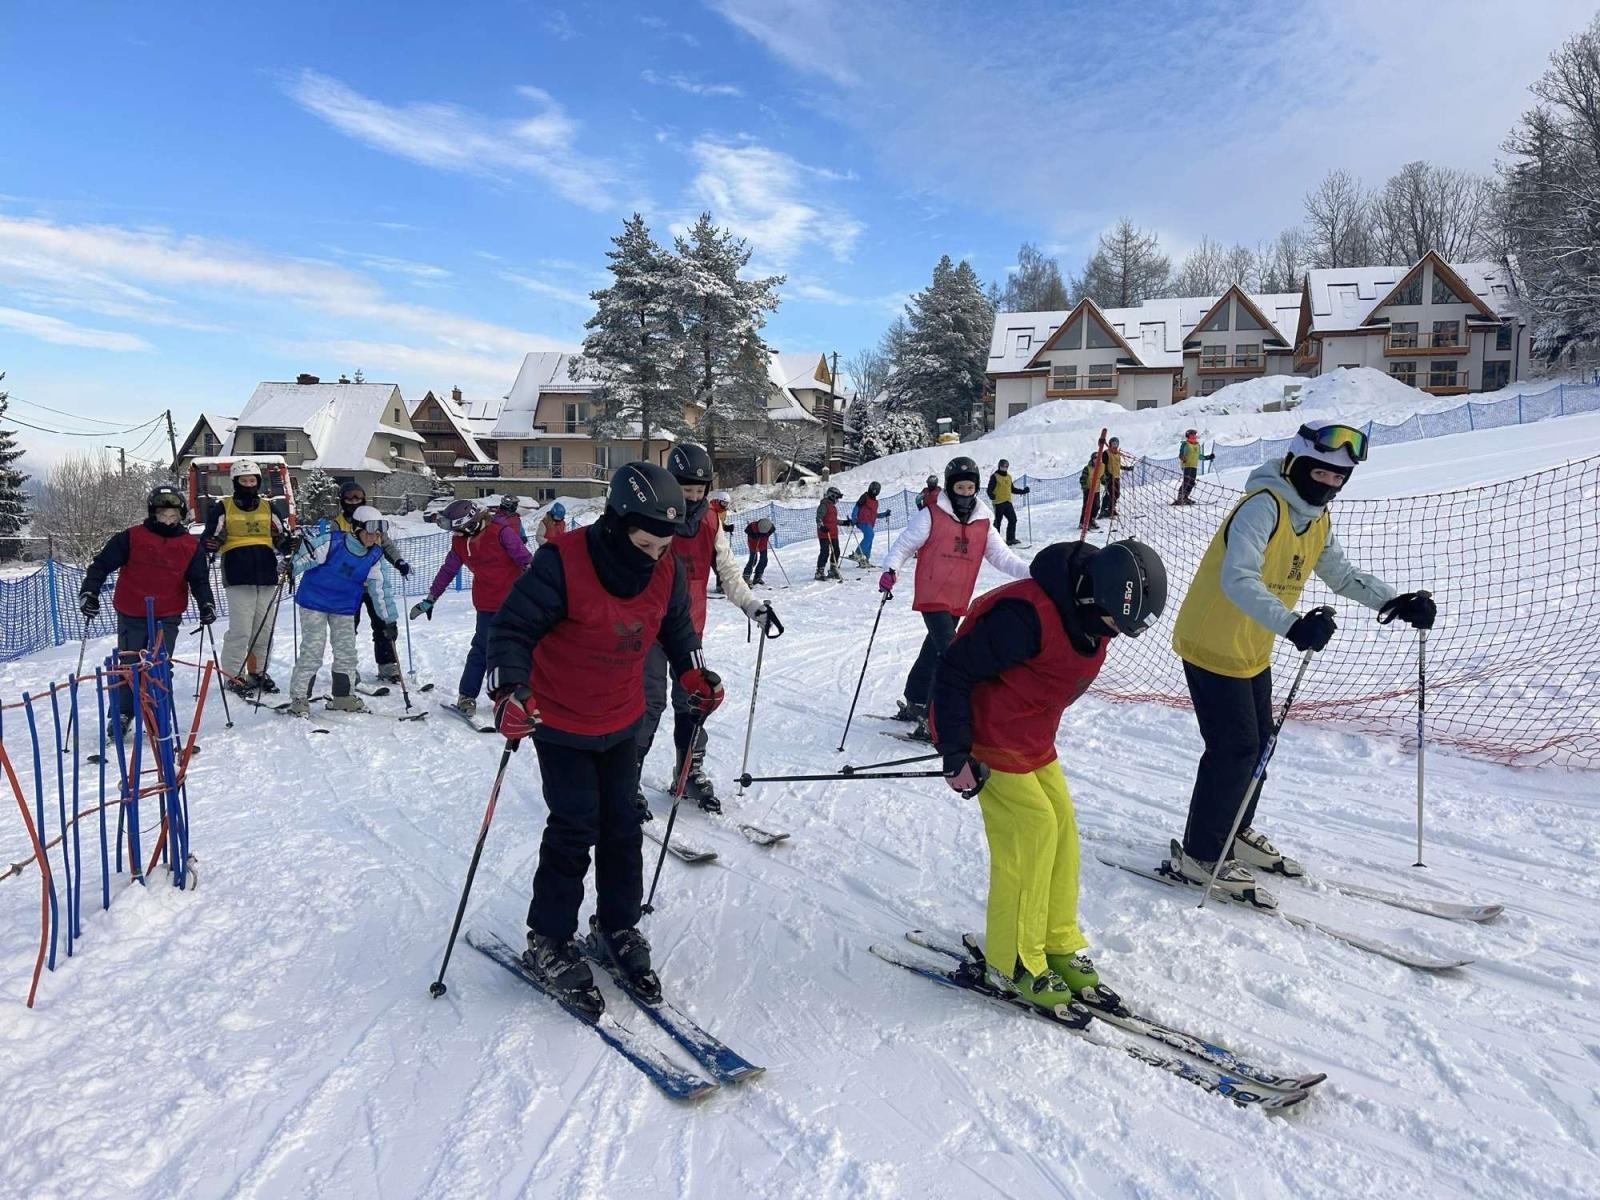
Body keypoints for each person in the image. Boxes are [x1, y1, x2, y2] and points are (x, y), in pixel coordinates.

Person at [485, 463, 725, 1011]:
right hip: (562, 719)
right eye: (645, 543)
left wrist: (693, 675)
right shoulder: (562, 561)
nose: (657, 555)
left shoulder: (661, 569)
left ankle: (617, 927)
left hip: (622, 717)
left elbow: (679, 632)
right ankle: (547, 938)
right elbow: (512, 630)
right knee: (574, 826)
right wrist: (509, 693)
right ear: (616, 524)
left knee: (622, 827)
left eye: (665, 545)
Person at [1168, 423, 1437, 893]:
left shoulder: (1315, 519)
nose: (1329, 485)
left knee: (1260, 746)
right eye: (1322, 473)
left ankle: (1236, 828)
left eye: (1339, 478)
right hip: (1212, 642)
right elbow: (1238, 580)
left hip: (1252, 645)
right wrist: (1294, 625)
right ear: (1296, 464)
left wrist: (1395, 603)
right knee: (1235, 749)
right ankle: (1202, 853)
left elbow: (1341, 574)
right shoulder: (1261, 507)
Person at [929, 539, 1166, 1009]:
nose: (1116, 635)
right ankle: (1012, 960)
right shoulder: (1025, 616)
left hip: (1033, 739)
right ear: (1093, 597)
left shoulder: (1089, 619)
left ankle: (1055, 943)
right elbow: (954, 670)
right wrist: (954, 752)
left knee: (1062, 829)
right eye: (1116, 623)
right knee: (1031, 832)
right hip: (989, 739)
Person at [635, 443, 778, 815]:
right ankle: (626, 776)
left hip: (688, 628)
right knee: (649, 703)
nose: (693, 498)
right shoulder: (650, 517)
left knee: (695, 700)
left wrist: (752, 606)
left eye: (700, 491)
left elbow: (728, 571)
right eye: (686, 490)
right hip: (648, 629)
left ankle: (688, 771)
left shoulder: (710, 523)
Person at [879, 456, 1030, 736]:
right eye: (959, 488)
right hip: (932, 594)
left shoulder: (984, 521)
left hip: (957, 598)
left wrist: (1033, 572)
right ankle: (935, 720)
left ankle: (916, 699)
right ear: (950, 488)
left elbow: (1002, 557)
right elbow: (903, 545)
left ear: (976, 489)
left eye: (969, 489)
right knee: (950, 654)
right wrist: (890, 570)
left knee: (932, 649)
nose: (964, 494)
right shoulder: (931, 515)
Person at [79, 485, 217, 740]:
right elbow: (101, 565)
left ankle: (156, 711)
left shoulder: (189, 545)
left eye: (173, 515)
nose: (168, 520)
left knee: (159, 665)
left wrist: (206, 604)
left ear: (181, 515)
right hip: (132, 610)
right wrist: (90, 592)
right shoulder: (131, 537)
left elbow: (199, 580)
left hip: (168, 613)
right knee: (131, 665)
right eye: (163, 514)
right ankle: (122, 713)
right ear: (153, 513)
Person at [411, 499, 533, 721]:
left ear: (469, 524)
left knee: (516, 647)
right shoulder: (459, 543)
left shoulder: (501, 532)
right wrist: (431, 598)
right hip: (486, 603)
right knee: (481, 649)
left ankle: (513, 694)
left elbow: (525, 560)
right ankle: (467, 696)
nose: (455, 534)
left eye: (458, 528)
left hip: (513, 602)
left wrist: (539, 585)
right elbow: (448, 570)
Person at [284, 506, 397, 716]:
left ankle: (343, 696)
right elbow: (307, 554)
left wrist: (388, 620)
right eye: (369, 532)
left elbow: (381, 589)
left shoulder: (374, 555)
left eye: (378, 534)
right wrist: (292, 567)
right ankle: (299, 698)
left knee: (347, 652)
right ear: (356, 529)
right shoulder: (333, 541)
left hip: (343, 607)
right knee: (313, 650)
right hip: (314, 602)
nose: (374, 538)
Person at [202, 458, 294, 696]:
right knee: (241, 629)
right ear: (235, 482)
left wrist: (287, 543)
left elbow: (280, 535)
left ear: (258, 482)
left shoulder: (268, 507)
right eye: (243, 480)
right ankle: (233, 674)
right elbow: (210, 536)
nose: (248, 484)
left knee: (263, 629)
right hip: (238, 572)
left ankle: (258, 671)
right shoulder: (224, 507)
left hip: (265, 572)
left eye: (252, 480)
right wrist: (211, 543)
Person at [334, 482, 412, 684]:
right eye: (349, 497)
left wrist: (399, 561)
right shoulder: (338, 523)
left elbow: (386, 544)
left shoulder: (372, 519)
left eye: (357, 497)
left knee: (383, 623)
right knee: (348, 626)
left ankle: (387, 666)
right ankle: (347, 667)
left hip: (375, 582)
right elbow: (332, 551)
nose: (353, 501)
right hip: (349, 585)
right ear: (342, 500)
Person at [985, 459, 1031, 546]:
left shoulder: (1009, 477)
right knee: (998, 522)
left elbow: (1012, 489)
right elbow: (989, 489)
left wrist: (1023, 491)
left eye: (1006, 466)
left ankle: (1010, 539)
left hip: (1007, 502)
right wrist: (991, 495)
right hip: (998, 503)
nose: (1004, 468)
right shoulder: (995, 476)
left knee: (1013, 519)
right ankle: (995, 542)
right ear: (999, 466)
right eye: (1002, 466)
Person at [849, 482, 889, 567]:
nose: (874, 491)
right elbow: (857, 507)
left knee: (869, 540)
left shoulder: (875, 502)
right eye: (873, 489)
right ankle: (858, 553)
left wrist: (885, 514)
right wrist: (854, 518)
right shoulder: (865, 497)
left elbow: (875, 515)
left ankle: (865, 560)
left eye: (876, 490)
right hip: (862, 521)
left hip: (870, 523)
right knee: (870, 535)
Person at [1174, 429, 1213, 506]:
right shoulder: (1185, 444)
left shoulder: (1197, 445)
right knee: (1186, 481)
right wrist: (1183, 458)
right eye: (1191, 437)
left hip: (1194, 466)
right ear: (1187, 437)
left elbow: (1199, 456)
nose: (1193, 438)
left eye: (1194, 436)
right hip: (1187, 465)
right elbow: (1181, 454)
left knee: (1192, 482)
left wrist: (1208, 457)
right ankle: (1180, 498)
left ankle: (1185, 497)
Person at [815, 486, 844, 581]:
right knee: (825, 552)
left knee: (836, 551)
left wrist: (844, 522)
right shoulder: (824, 505)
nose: (837, 500)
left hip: (833, 533)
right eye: (837, 497)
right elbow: (818, 518)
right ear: (832, 496)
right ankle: (819, 571)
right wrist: (821, 526)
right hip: (824, 533)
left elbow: (834, 520)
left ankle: (833, 569)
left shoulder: (832, 507)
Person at [709, 490, 734, 594]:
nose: (725, 505)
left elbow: (719, 524)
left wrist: (726, 527)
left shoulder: (723, 511)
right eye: (723, 503)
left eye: (726, 504)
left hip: (716, 542)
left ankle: (720, 586)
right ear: (718, 501)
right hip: (706, 542)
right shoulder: (709, 509)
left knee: (719, 563)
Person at [743, 516, 774, 585]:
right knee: (753, 560)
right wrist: (754, 535)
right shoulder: (752, 526)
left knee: (764, 560)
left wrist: (767, 534)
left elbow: (772, 530)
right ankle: (746, 576)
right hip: (754, 544)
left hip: (763, 544)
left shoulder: (770, 526)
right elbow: (746, 531)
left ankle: (757, 577)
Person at [1078, 452, 1103, 531]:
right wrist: (1085, 487)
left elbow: (1102, 477)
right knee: (1087, 507)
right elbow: (1082, 479)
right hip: (1088, 490)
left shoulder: (1101, 467)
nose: (1097, 460)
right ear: (1092, 459)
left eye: (1098, 459)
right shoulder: (1088, 468)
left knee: (1096, 506)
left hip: (1096, 490)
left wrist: (1106, 482)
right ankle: (1083, 522)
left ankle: (1091, 520)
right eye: (1095, 459)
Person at [1101, 437, 1124, 520]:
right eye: (1113, 443)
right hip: (1109, 477)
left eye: (1116, 444)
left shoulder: (1117, 453)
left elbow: (1117, 465)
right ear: (1110, 444)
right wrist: (1106, 475)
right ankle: (1106, 510)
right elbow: (1103, 465)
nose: (1115, 445)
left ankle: (1111, 508)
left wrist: (1126, 468)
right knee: (1111, 493)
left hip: (1116, 476)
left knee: (1117, 494)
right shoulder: (1106, 453)